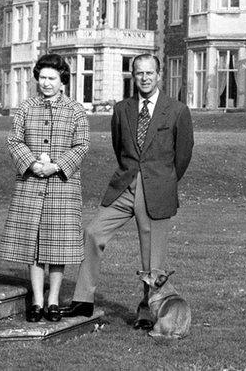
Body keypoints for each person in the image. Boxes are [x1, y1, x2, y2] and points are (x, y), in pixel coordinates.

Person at [63, 53, 194, 329]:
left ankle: (147, 312)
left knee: (152, 258)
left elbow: (182, 156)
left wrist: (163, 182)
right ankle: (83, 299)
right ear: (132, 76)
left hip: (157, 189)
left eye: (149, 73)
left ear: (159, 75)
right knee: (93, 231)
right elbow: (119, 146)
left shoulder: (177, 110)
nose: (144, 78)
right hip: (124, 186)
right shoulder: (122, 109)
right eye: (139, 73)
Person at [0, 53, 90, 322]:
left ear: (63, 81)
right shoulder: (25, 108)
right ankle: (37, 300)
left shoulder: (75, 110)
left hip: (62, 184)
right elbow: (14, 141)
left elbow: (82, 145)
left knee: (57, 245)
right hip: (31, 183)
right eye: (42, 78)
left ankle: (53, 300)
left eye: (52, 78)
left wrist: (57, 166)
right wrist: (32, 164)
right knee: (34, 244)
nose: (46, 83)